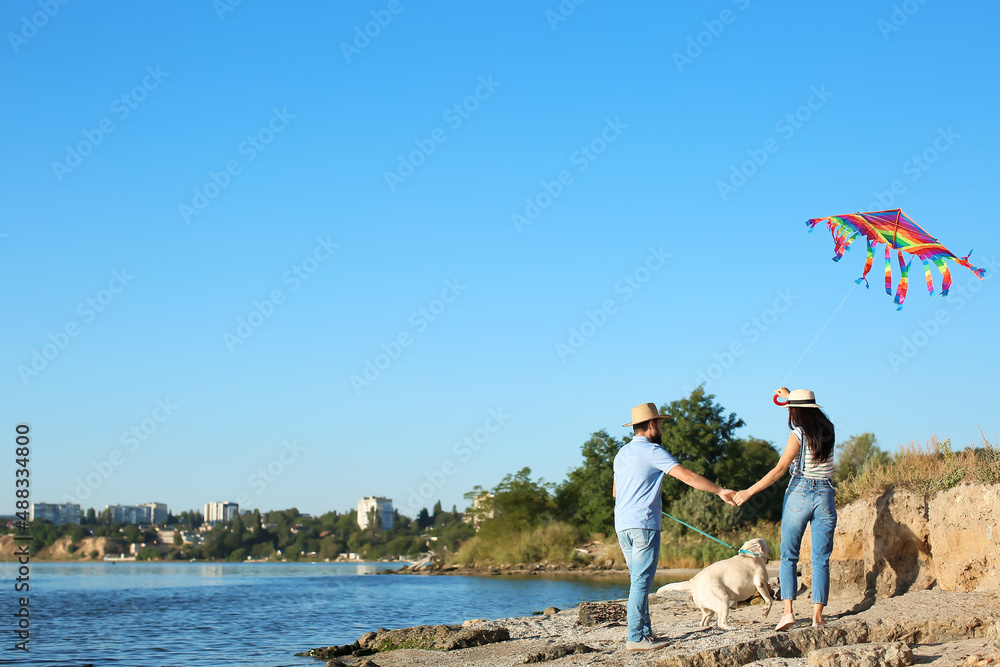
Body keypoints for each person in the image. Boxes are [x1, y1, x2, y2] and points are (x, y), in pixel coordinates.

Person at [613, 402, 737, 651]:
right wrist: (720, 490)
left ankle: (644, 633)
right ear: (651, 425)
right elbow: (687, 476)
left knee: (637, 580)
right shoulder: (652, 451)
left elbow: (616, 493)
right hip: (644, 525)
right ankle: (635, 638)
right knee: (640, 582)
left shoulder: (621, 453)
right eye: (659, 424)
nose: (661, 428)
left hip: (622, 525)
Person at [733, 387, 837, 631]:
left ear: (795, 411)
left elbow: (779, 470)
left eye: (790, 408)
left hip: (800, 493)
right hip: (826, 495)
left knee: (789, 556)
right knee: (821, 559)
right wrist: (792, 395)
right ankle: (817, 616)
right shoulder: (829, 431)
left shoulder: (798, 435)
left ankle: (788, 612)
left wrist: (749, 492)